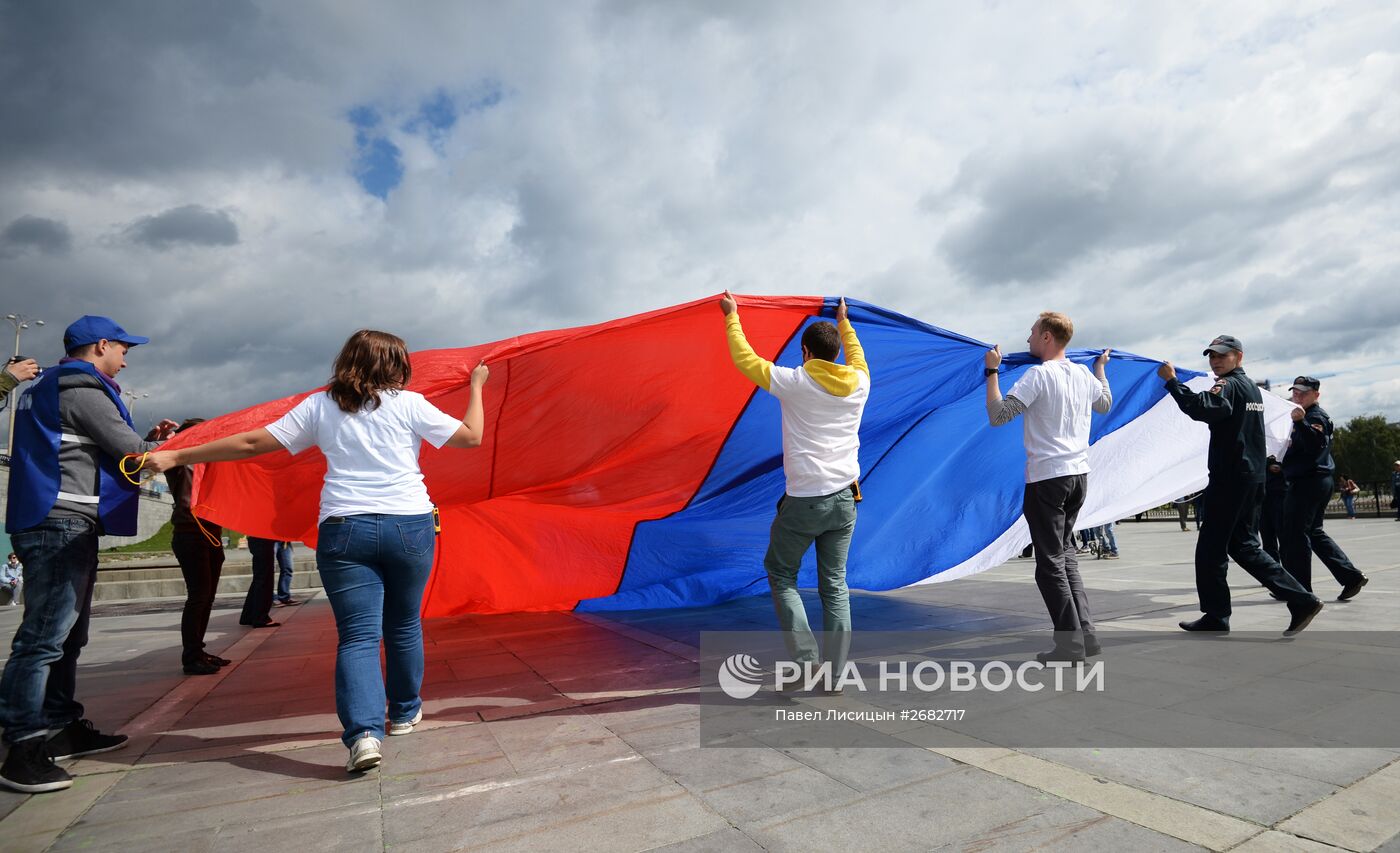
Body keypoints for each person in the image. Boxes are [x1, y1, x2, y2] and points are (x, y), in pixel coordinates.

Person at [147, 330, 489, 774]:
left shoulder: (321, 406)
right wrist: (477, 386)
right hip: (410, 525)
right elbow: (471, 437)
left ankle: (364, 735)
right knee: (403, 623)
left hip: (346, 530)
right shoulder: (410, 404)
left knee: (359, 635)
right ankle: (404, 713)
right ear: (397, 365)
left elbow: (251, 443)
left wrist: (177, 458)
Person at [1, 316, 177, 794]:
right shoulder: (82, 388)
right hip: (60, 523)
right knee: (43, 640)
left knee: (66, 636)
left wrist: (151, 441)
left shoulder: (50, 387)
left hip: (55, 520)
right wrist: (175, 444)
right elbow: (132, 453)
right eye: (123, 349)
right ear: (100, 345)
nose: (125, 358)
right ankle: (21, 748)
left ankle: (61, 727)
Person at [722, 292, 868, 692]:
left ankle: (806, 664)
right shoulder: (860, 382)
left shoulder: (794, 382)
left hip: (804, 502)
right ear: (836, 352)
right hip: (845, 502)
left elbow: (745, 360)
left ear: (805, 352)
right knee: (834, 586)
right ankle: (835, 676)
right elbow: (856, 355)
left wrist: (732, 316)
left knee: (782, 575)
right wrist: (844, 322)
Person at [1158, 335, 1322, 635]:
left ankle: (1217, 615)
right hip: (1251, 476)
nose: (1215, 360)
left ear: (1239, 357)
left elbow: (1204, 408)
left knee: (1210, 550)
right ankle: (1301, 599)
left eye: (1222, 355)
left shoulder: (1229, 385)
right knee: (1244, 546)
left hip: (1231, 478)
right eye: (1211, 356)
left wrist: (1172, 383)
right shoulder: (1251, 389)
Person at [986, 312, 1111, 662]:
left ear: (1046, 338)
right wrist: (1101, 368)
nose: (1027, 341)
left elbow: (998, 415)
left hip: (1047, 477)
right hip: (1079, 476)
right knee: (1066, 555)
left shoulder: (1037, 376)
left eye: (1031, 333)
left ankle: (1070, 644)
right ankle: (1087, 635)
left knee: (1050, 564)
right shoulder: (1084, 375)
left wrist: (991, 372)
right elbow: (1105, 402)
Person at [1278, 376, 1368, 600]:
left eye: (1302, 393)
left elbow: (1315, 444)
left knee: (1295, 536)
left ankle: (1300, 592)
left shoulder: (1314, 416)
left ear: (1316, 395)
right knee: (1313, 532)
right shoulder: (1306, 415)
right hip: (1315, 480)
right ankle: (1350, 576)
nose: (1296, 396)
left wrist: (1300, 422)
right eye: (1295, 392)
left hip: (1309, 482)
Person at [164, 419, 231, 676]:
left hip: (212, 535)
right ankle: (191, 656)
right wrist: (159, 437)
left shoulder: (213, 462)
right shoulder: (179, 461)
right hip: (189, 535)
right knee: (198, 596)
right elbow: (151, 454)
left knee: (208, 597)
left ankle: (198, 650)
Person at [240, 536, 279, 629]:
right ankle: (260, 617)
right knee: (264, 578)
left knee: (260, 578)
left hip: (257, 538)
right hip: (262, 539)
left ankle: (248, 615)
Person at [1259, 456, 1287, 564]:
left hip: (1281, 493)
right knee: (1267, 537)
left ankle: (1289, 572)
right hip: (1263, 495)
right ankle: (1274, 573)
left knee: (1284, 536)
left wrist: (1281, 468)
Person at [273, 541, 300, 607]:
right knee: (269, 570)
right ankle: (271, 598)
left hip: (284, 540)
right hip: (269, 540)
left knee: (287, 568)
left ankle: (284, 597)